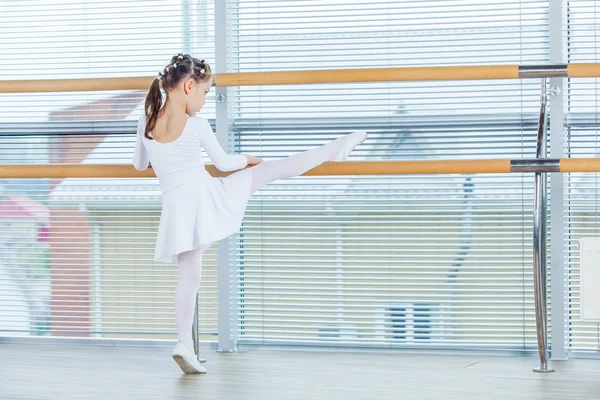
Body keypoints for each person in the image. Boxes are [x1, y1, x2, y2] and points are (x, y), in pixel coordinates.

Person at [133, 53, 367, 374]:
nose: (204, 100)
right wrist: (249, 157)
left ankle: (183, 343)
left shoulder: (146, 122)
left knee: (188, 278)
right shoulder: (196, 125)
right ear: (188, 87)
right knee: (272, 169)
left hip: (176, 205)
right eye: (204, 92)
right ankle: (334, 148)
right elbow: (224, 164)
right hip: (206, 196)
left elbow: (139, 165)